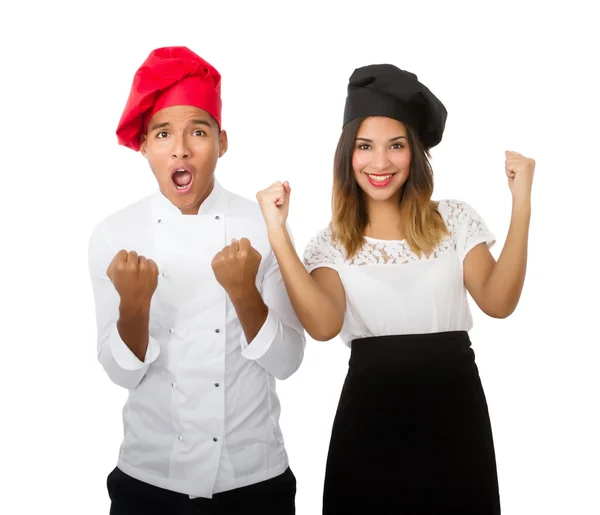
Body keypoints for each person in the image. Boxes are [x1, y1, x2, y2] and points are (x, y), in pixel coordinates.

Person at [256, 64, 535, 514]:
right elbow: (324, 326)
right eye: (365, 146)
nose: (380, 162)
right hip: (370, 424)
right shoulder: (331, 244)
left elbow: (499, 302)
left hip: (454, 418)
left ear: (415, 153)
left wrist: (521, 202)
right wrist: (277, 232)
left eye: (396, 146)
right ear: (348, 154)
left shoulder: (454, 220)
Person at [87, 46, 305, 515]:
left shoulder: (264, 225)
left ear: (222, 143)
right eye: (163, 133)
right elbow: (121, 375)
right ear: (144, 146)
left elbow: (288, 362)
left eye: (198, 132)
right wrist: (134, 308)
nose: (181, 148)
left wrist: (245, 292)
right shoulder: (114, 233)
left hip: (254, 478)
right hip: (149, 479)